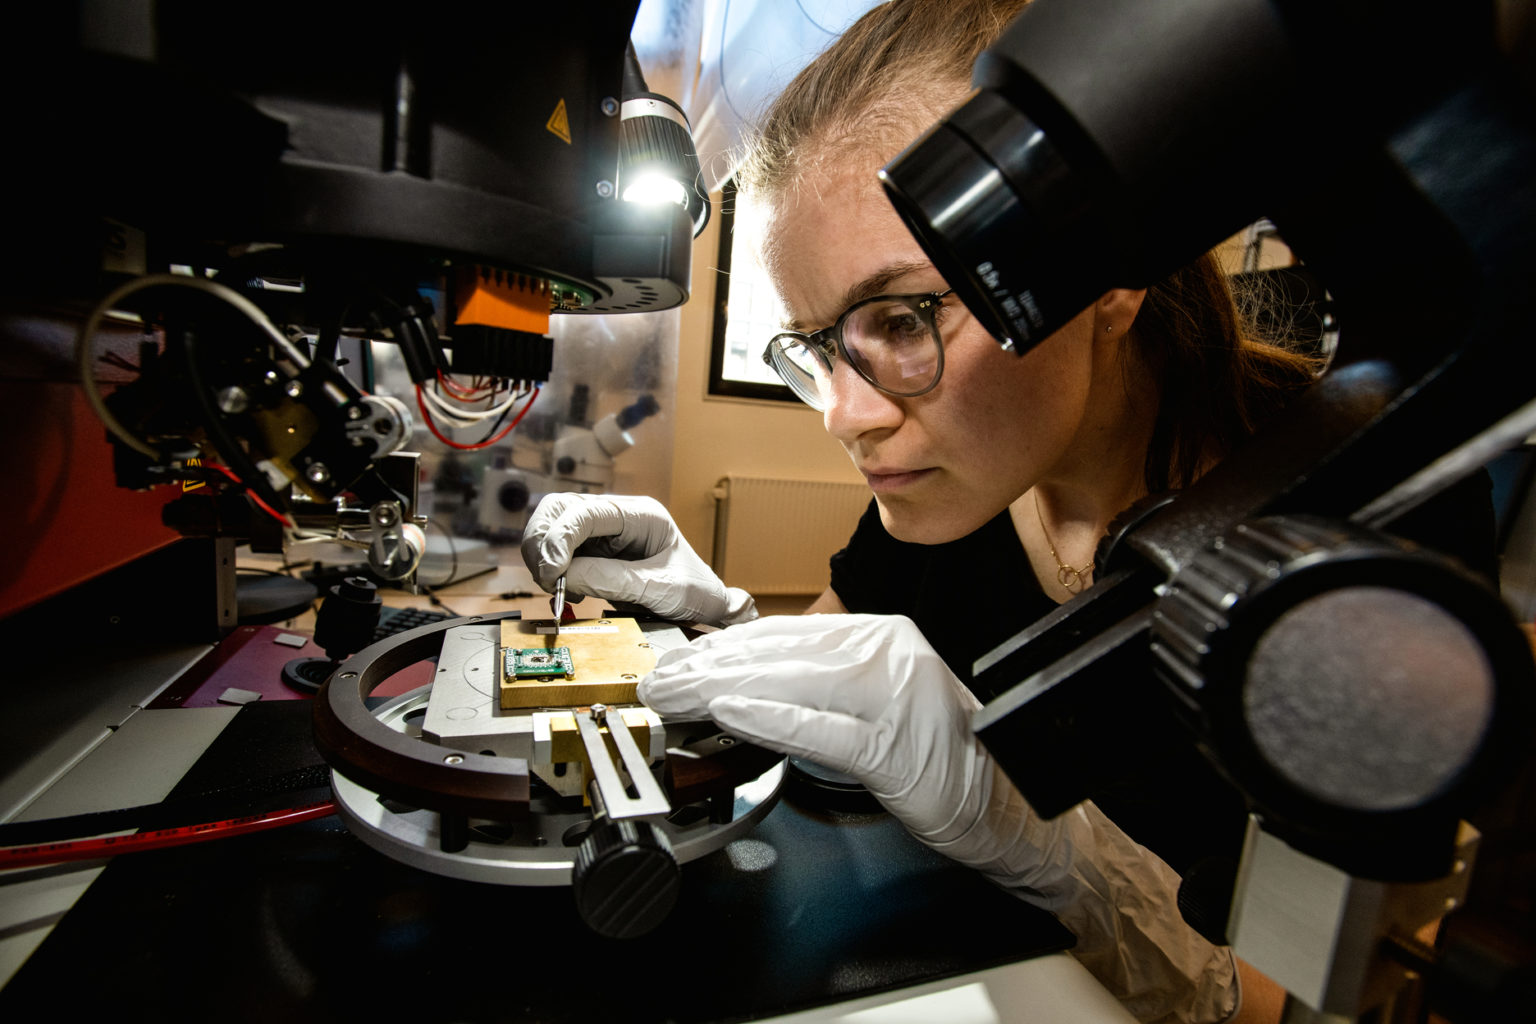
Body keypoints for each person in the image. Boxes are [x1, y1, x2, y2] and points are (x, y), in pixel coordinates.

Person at [522, 1, 1496, 1022]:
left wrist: (1065, 858)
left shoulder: (1372, 508)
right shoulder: (950, 495)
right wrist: (715, 631)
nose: (845, 416)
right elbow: (833, 680)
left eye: (903, 319)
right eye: (817, 348)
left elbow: (1333, 1001)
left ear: (1106, 280)